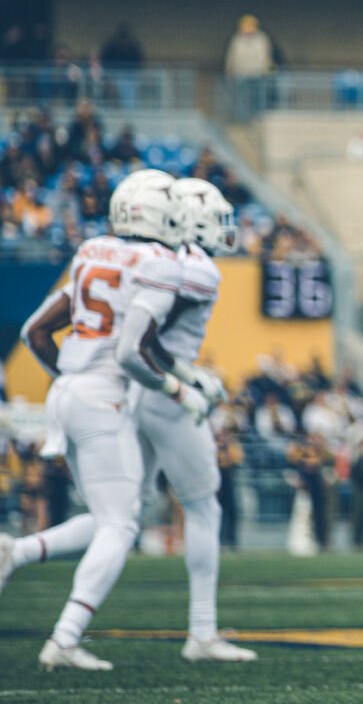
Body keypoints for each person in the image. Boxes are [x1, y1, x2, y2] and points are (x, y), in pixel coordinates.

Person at [1, 178, 254, 661]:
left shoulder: (103, 250)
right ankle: (202, 632)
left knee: (116, 515)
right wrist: (185, 383)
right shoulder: (189, 266)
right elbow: (143, 338)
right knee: (201, 506)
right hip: (152, 393)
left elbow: (52, 328)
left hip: (120, 391)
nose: (226, 229)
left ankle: (24, 552)